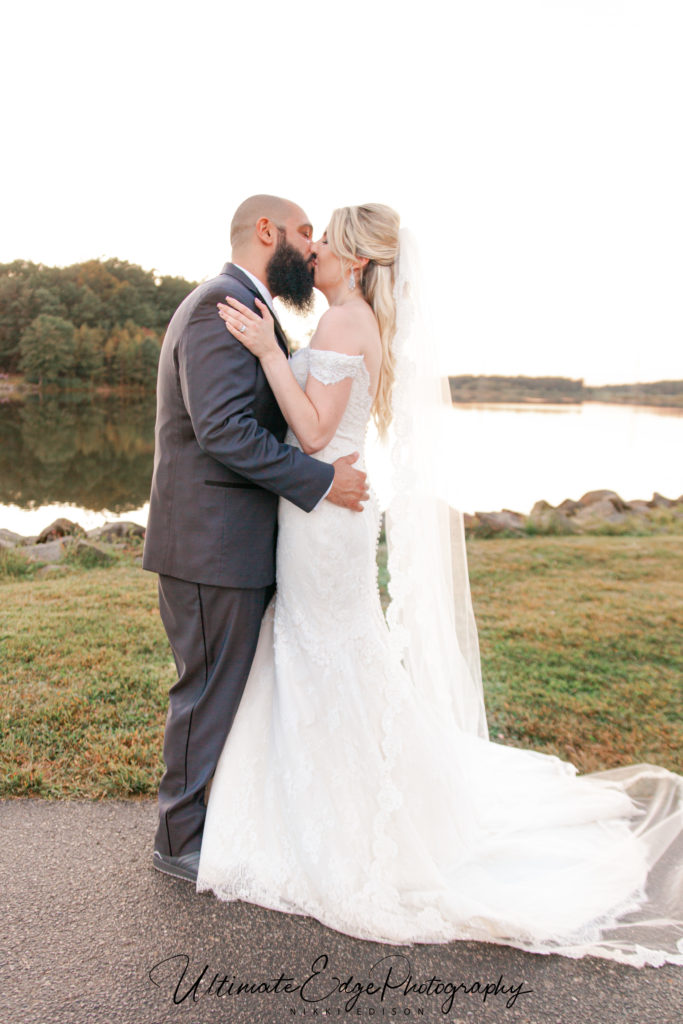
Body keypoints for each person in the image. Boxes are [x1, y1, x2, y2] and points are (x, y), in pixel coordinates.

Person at [196, 203, 683, 966]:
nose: (314, 248)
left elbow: (317, 436)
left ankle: (344, 824)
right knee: (334, 651)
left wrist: (264, 353)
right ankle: (334, 805)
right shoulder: (354, 322)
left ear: (355, 261)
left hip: (324, 519)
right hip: (331, 515)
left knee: (327, 651)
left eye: (326, 240)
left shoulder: (340, 323)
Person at [143, 195, 369, 882]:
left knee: (226, 691)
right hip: (209, 545)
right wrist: (318, 480)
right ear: (264, 230)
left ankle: (218, 820)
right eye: (303, 231)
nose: (309, 246)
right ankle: (178, 839)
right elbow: (222, 431)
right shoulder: (222, 305)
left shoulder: (253, 308)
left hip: (230, 541)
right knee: (207, 691)